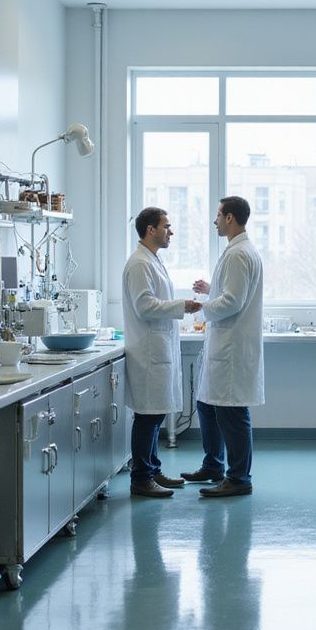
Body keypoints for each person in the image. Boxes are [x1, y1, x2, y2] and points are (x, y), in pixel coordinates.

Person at [182, 196, 264, 498]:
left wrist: (201, 308)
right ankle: (213, 465)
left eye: (218, 215)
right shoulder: (237, 252)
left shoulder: (238, 255)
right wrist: (212, 289)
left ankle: (240, 478)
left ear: (230, 218)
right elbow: (230, 291)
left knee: (232, 413)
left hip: (232, 346)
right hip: (224, 344)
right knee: (205, 404)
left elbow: (232, 301)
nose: (214, 220)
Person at [122, 207, 202, 498]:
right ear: (150, 229)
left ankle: (153, 470)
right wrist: (182, 306)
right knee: (148, 417)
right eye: (166, 226)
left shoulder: (152, 260)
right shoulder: (139, 264)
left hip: (158, 349)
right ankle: (141, 478)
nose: (171, 232)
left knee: (154, 416)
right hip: (147, 352)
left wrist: (180, 307)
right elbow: (145, 306)